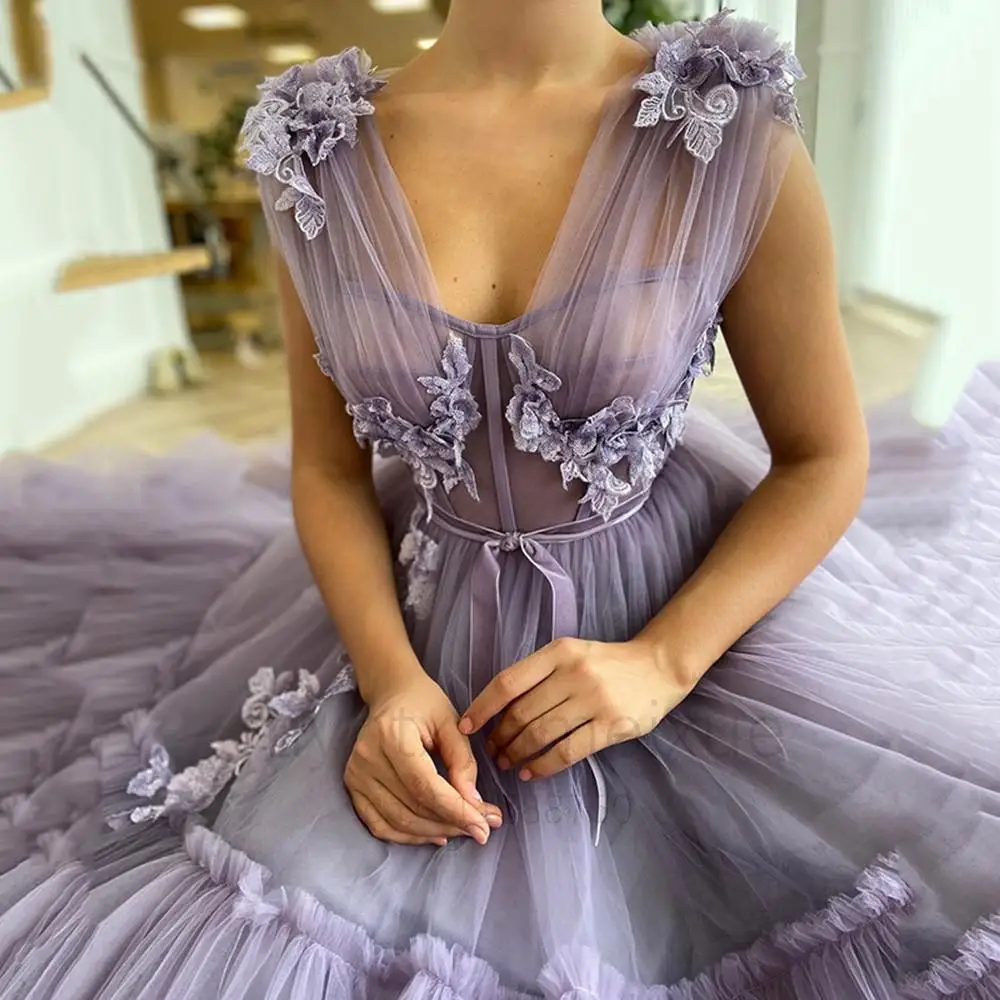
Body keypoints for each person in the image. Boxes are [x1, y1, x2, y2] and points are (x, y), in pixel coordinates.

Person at [1, 3, 998, 998]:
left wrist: (664, 660)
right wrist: (390, 681)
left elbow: (822, 456)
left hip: (673, 611)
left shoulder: (726, 129)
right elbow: (330, 469)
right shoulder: (316, 150)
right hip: (428, 619)